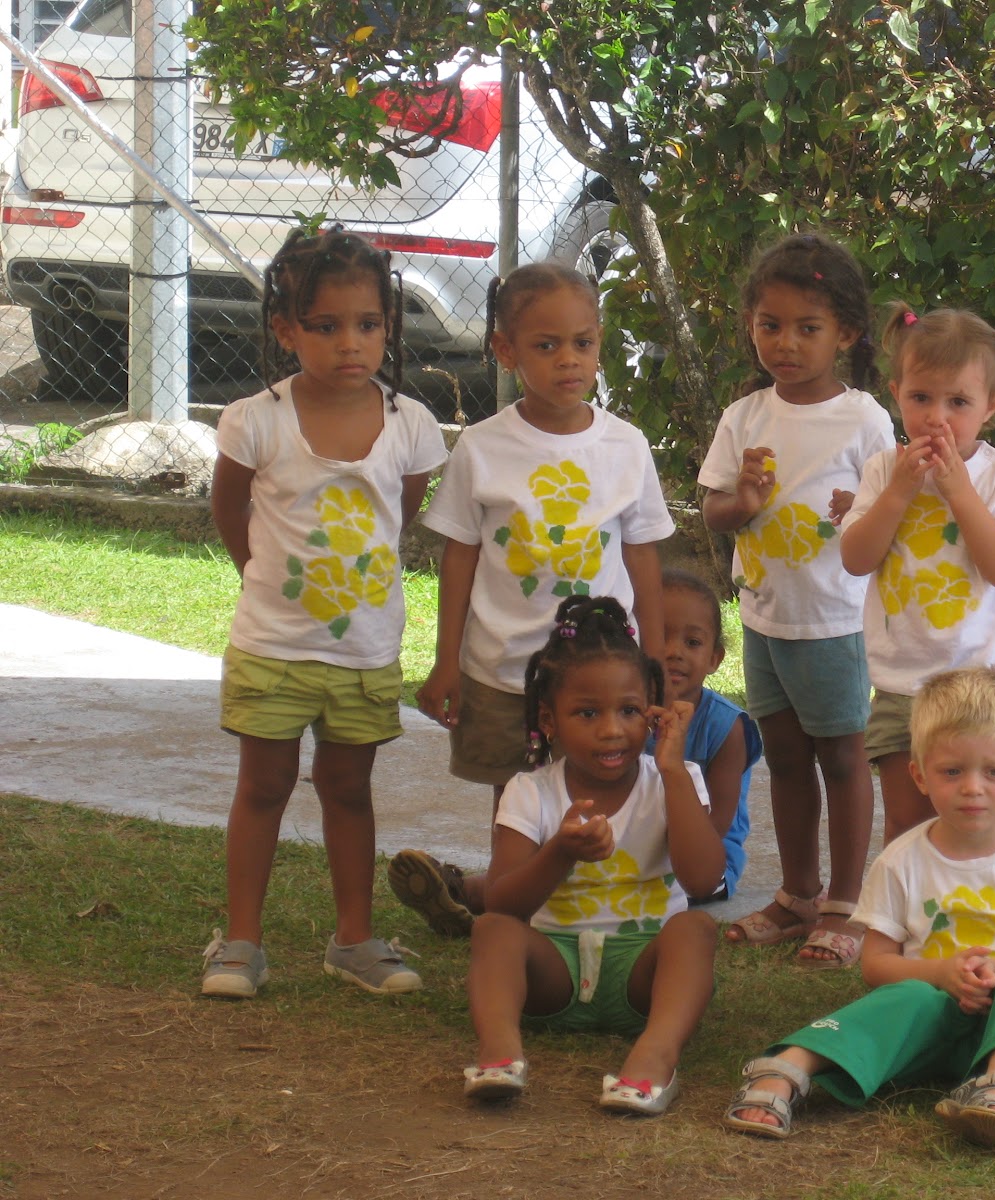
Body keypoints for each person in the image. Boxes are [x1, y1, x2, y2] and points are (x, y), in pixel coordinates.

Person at [387, 262, 675, 937]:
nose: (568, 361)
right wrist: (447, 662)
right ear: (505, 351)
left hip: (601, 674)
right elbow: (459, 558)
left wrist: (654, 663)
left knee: (601, 787)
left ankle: (574, 912)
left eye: (583, 342)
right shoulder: (483, 448)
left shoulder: (626, 447)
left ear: (601, 342)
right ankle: (513, 913)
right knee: (516, 800)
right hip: (501, 670)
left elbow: (644, 557)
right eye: (545, 346)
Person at [203, 227, 448, 998]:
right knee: (264, 785)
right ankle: (240, 941)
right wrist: (261, 576)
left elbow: (398, 514)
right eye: (327, 325)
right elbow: (229, 508)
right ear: (286, 331)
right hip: (272, 645)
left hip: (365, 650)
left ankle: (355, 939)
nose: (352, 343)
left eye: (369, 324)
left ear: (389, 327)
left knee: (348, 789)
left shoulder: (411, 425)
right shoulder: (256, 420)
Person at [722, 667, 995, 1155]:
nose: (973, 788)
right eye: (952, 771)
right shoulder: (902, 859)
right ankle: (788, 1068)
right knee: (912, 995)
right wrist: (940, 973)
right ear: (919, 774)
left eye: (994, 772)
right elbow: (875, 965)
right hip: (924, 1030)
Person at [699, 232, 894, 968]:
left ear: (844, 334)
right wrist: (742, 500)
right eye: (769, 325)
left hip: (835, 621)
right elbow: (716, 510)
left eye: (808, 328)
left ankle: (847, 903)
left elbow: (891, 513)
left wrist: (861, 510)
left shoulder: (865, 418)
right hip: (765, 618)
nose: (786, 344)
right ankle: (798, 892)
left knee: (842, 758)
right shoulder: (745, 417)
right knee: (782, 757)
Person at [461, 596, 723, 1114]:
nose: (611, 730)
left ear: (653, 711)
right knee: (492, 930)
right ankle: (499, 1054)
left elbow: (704, 880)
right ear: (549, 719)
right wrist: (559, 852)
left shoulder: (677, 780)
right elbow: (503, 902)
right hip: (551, 970)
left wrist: (671, 771)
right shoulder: (530, 791)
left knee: (694, 929)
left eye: (629, 711)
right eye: (587, 713)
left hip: (644, 972)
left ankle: (654, 1055)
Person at [839, 305, 995, 846]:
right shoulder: (884, 470)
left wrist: (959, 492)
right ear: (896, 391)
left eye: (958, 402)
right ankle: (905, 925)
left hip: (978, 684)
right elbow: (856, 558)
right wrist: (900, 490)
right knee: (905, 824)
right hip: (902, 683)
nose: (937, 417)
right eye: (921, 398)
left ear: (991, 407)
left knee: (976, 820)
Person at [656, 568, 763, 903]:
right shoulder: (625, 713)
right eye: (660, 636)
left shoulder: (726, 727)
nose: (674, 651)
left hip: (706, 856)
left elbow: (717, 821)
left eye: (693, 642)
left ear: (714, 659)